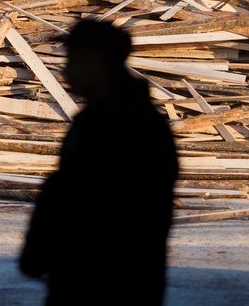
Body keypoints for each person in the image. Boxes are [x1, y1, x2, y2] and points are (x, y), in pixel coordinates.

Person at [19, 18, 179, 305]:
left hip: (109, 284)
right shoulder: (101, 120)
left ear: (96, 62)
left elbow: (103, 206)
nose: (66, 71)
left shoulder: (130, 126)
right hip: (88, 277)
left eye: (73, 60)